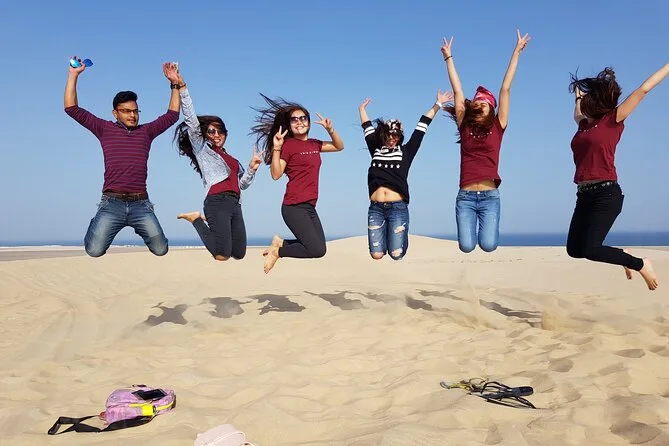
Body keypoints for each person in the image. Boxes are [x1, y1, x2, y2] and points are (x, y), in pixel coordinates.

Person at [64, 58, 181, 257]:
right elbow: (71, 109)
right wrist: (73, 75)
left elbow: (172, 116)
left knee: (161, 249)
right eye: (126, 111)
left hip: (140, 204)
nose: (132, 115)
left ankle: (138, 225)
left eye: (135, 111)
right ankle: (97, 222)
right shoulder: (104, 129)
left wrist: (174, 84)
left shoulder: (146, 132)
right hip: (112, 203)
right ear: (115, 113)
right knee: (94, 250)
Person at [566, 63, 667, 291]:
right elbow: (577, 112)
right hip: (584, 195)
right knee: (574, 250)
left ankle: (640, 263)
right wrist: (578, 96)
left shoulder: (613, 120)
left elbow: (643, 89)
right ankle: (623, 255)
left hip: (606, 194)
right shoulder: (583, 125)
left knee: (591, 248)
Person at [441, 30, 530, 253]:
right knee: (466, 246)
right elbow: (457, 90)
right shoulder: (465, 125)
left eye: (485, 104)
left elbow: (505, 88)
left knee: (489, 245)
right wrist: (448, 58)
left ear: (492, 109)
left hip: (490, 197)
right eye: (477, 103)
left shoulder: (498, 126)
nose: (480, 106)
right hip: (466, 197)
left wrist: (517, 52)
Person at [172, 70, 262, 261]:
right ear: (205, 134)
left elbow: (243, 184)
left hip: (235, 204)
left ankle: (207, 221)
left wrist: (252, 168)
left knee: (239, 254)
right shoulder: (203, 150)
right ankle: (196, 219)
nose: (216, 135)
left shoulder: (233, 160)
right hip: (216, 201)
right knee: (221, 255)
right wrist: (183, 88)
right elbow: (191, 120)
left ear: (225, 134)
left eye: (220, 131)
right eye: (211, 131)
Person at [250, 94, 344, 273]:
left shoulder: (314, 144)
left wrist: (330, 129)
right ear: (290, 124)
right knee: (314, 249)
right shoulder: (288, 145)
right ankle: (278, 252)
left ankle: (280, 243)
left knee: (320, 250)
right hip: (293, 206)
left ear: (308, 122)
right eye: (294, 119)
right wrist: (277, 147)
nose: (299, 122)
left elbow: (339, 146)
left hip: (309, 206)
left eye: (303, 118)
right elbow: (276, 174)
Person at [358, 91, 453, 260]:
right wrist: (362, 109)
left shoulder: (407, 151)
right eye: (388, 133)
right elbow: (366, 126)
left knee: (396, 254)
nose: (391, 137)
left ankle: (400, 236)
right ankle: (388, 236)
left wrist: (438, 104)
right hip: (376, 208)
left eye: (395, 134)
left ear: (400, 136)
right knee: (376, 255)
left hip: (397, 208)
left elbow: (422, 126)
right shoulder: (375, 149)